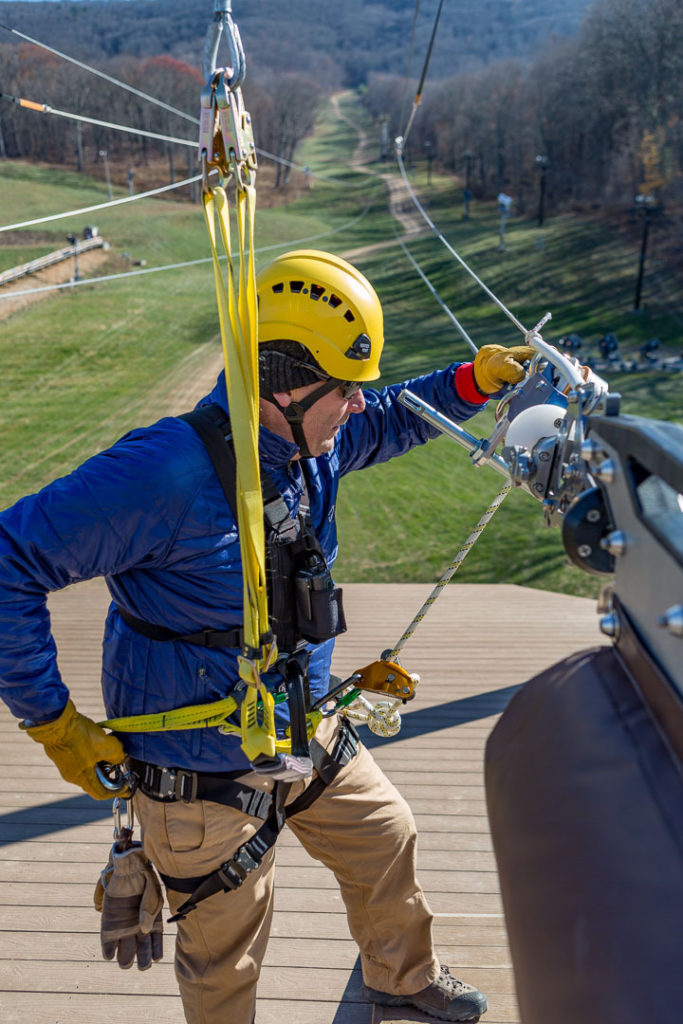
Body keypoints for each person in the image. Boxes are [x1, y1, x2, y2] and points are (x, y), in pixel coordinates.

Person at [0, 249, 533, 1024]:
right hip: (202, 775)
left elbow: (386, 418)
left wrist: (469, 384)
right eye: (344, 389)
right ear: (283, 382)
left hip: (300, 730)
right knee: (225, 958)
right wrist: (55, 723)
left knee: (386, 837)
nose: (357, 405)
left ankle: (400, 975)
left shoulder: (306, 443)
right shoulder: (165, 473)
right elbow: (10, 558)